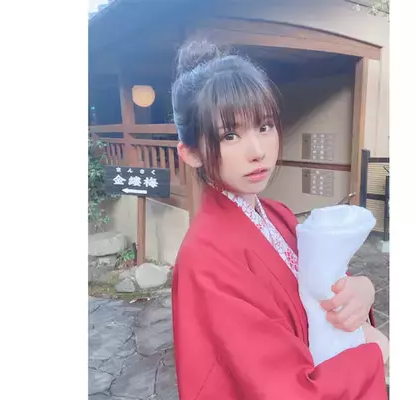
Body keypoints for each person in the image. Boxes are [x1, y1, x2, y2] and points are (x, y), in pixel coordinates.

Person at [170, 39, 389, 400]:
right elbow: (279, 389)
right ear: (191, 152)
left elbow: (326, 290)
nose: (257, 151)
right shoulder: (205, 259)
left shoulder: (278, 216)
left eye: (265, 126)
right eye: (229, 135)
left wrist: (360, 293)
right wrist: (373, 355)